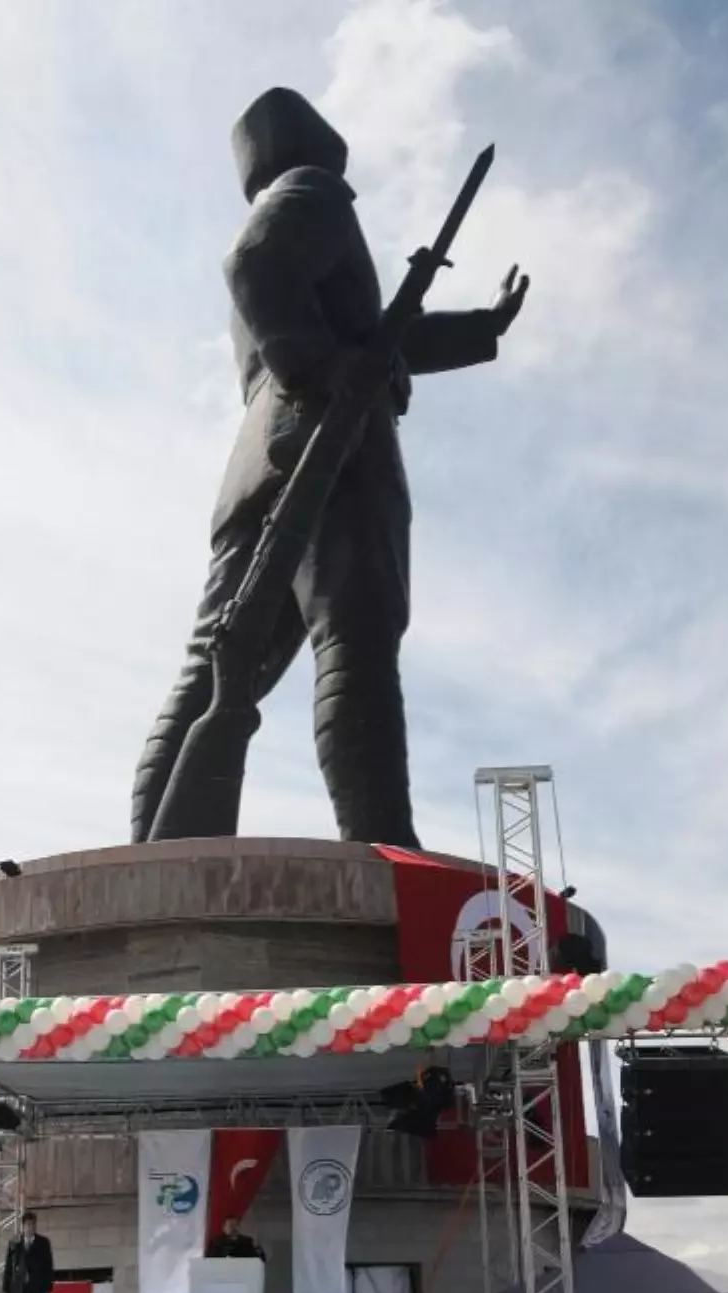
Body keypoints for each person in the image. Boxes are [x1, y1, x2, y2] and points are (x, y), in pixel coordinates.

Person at [130, 86, 529, 848]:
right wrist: (323, 370)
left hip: (262, 455)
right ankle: (382, 849)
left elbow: (380, 338)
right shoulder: (313, 190)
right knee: (355, 637)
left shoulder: (289, 200)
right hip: (331, 444)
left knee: (217, 662)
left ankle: (154, 860)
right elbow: (253, 265)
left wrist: (482, 327)